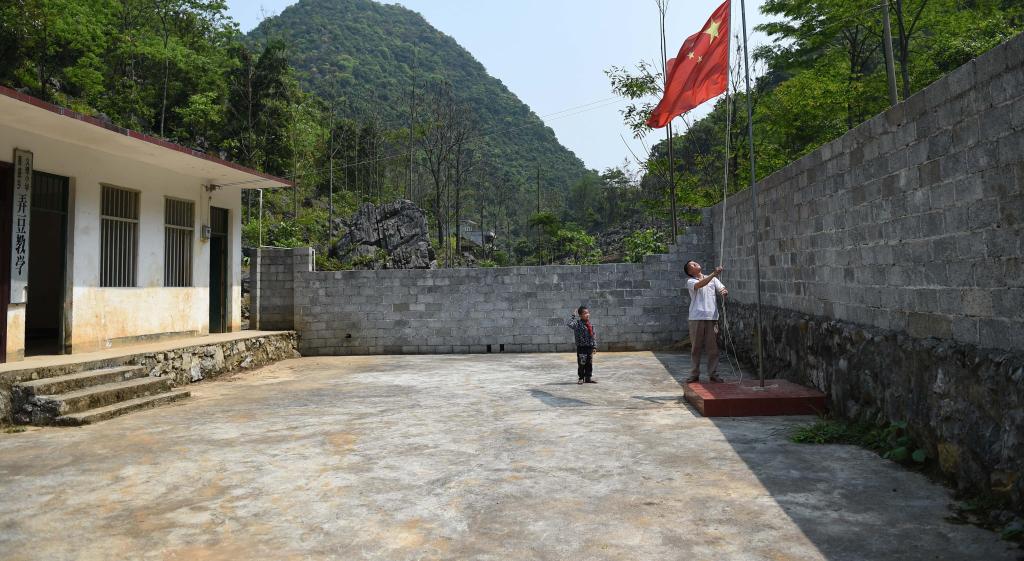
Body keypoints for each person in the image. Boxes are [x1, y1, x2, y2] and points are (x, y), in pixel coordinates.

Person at [684, 260, 728, 383]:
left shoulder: (713, 279)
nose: (696, 264)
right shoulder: (690, 281)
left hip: (712, 317)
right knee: (696, 348)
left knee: (713, 348)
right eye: (692, 265)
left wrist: (724, 291)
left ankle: (713, 373)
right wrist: (714, 273)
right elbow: (700, 284)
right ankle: (694, 374)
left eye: (695, 262)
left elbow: (722, 288)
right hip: (696, 317)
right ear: (690, 271)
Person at [567, 306, 598, 384]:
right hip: (581, 348)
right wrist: (573, 316)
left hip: (589, 347)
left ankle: (588, 378)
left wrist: (594, 346)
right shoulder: (577, 324)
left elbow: (593, 336)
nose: (587, 314)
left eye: (588, 313)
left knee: (589, 363)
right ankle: (581, 378)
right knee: (581, 363)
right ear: (580, 315)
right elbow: (569, 324)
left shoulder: (590, 324)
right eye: (585, 313)